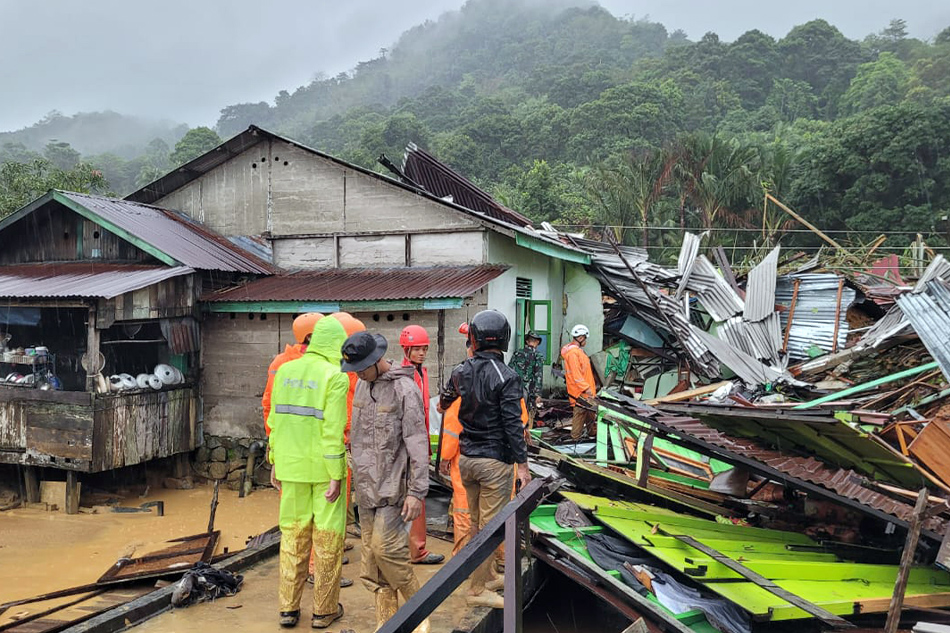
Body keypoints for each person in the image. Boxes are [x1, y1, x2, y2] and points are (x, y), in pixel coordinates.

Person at [439, 310, 530, 609]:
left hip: (467, 460)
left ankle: (487, 575)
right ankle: (477, 590)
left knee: (477, 523)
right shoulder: (508, 377)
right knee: (492, 528)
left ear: (474, 339)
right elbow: (513, 425)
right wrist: (524, 465)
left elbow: (444, 401)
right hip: (494, 462)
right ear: (504, 339)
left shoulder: (460, 371)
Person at [344, 331, 431, 633]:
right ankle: (387, 620)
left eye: (361, 368)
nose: (357, 374)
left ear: (376, 361)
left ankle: (420, 609)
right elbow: (357, 437)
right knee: (371, 562)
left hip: (395, 487)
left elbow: (418, 443)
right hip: (366, 488)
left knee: (387, 550)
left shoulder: (404, 389)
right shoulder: (361, 387)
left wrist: (417, 492)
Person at [268, 316, 349, 629]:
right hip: (321, 469)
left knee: (292, 536)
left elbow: (276, 420)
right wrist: (336, 473)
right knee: (327, 541)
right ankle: (323, 611)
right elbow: (332, 432)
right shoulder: (335, 376)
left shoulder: (285, 370)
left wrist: (275, 460)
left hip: (290, 467)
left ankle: (288, 610)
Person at [399, 325, 444, 566]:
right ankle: (411, 550)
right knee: (408, 497)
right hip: (406, 446)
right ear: (406, 349)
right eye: (417, 349)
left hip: (419, 444)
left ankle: (416, 549)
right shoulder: (401, 375)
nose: (422, 353)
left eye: (424, 349)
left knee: (418, 497)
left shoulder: (422, 373)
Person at [330, 312, 367, 539]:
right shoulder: (334, 370)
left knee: (347, 485)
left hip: (350, 433)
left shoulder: (350, 366)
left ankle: (347, 527)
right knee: (337, 489)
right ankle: (337, 537)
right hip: (338, 437)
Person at [438, 323, 473, 556]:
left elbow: (451, 431)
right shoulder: (506, 379)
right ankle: (500, 558)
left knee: (463, 507)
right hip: (499, 459)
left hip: (465, 457)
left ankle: (462, 557)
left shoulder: (460, 389)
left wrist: (443, 458)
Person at [262, 312, 322, 435]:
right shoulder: (324, 363)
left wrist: (271, 434)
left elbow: (268, 402)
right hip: (315, 436)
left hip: (285, 435)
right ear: (309, 336)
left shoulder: (280, 361)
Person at [561, 324, 597, 441]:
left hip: (586, 393)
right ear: (580, 338)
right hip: (581, 394)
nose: (586, 341)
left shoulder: (577, 352)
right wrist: (586, 388)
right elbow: (576, 375)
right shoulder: (573, 354)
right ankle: (574, 441)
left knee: (590, 415)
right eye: (585, 338)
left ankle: (592, 436)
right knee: (580, 416)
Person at [508, 330, 544, 431]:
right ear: (537, 342)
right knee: (529, 413)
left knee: (515, 411)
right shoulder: (538, 355)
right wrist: (538, 394)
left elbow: (509, 370)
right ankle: (527, 435)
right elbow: (538, 375)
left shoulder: (517, 353)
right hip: (530, 390)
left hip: (515, 388)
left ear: (527, 341)